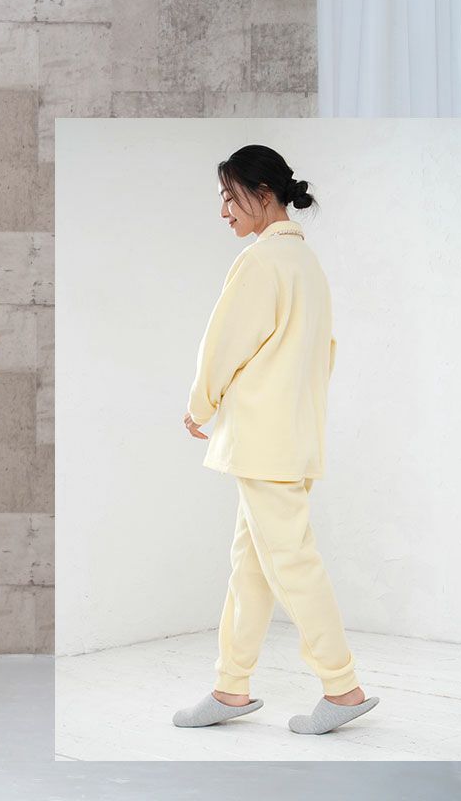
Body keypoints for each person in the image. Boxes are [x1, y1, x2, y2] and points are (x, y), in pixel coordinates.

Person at [172, 145, 379, 736]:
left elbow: (223, 343)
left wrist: (200, 404)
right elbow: (322, 357)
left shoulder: (262, 262)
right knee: (252, 567)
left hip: (264, 443)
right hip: (293, 438)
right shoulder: (306, 264)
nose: (224, 211)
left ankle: (342, 687)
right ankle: (230, 686)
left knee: (290, 562)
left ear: (263, 195)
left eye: (230, 197)